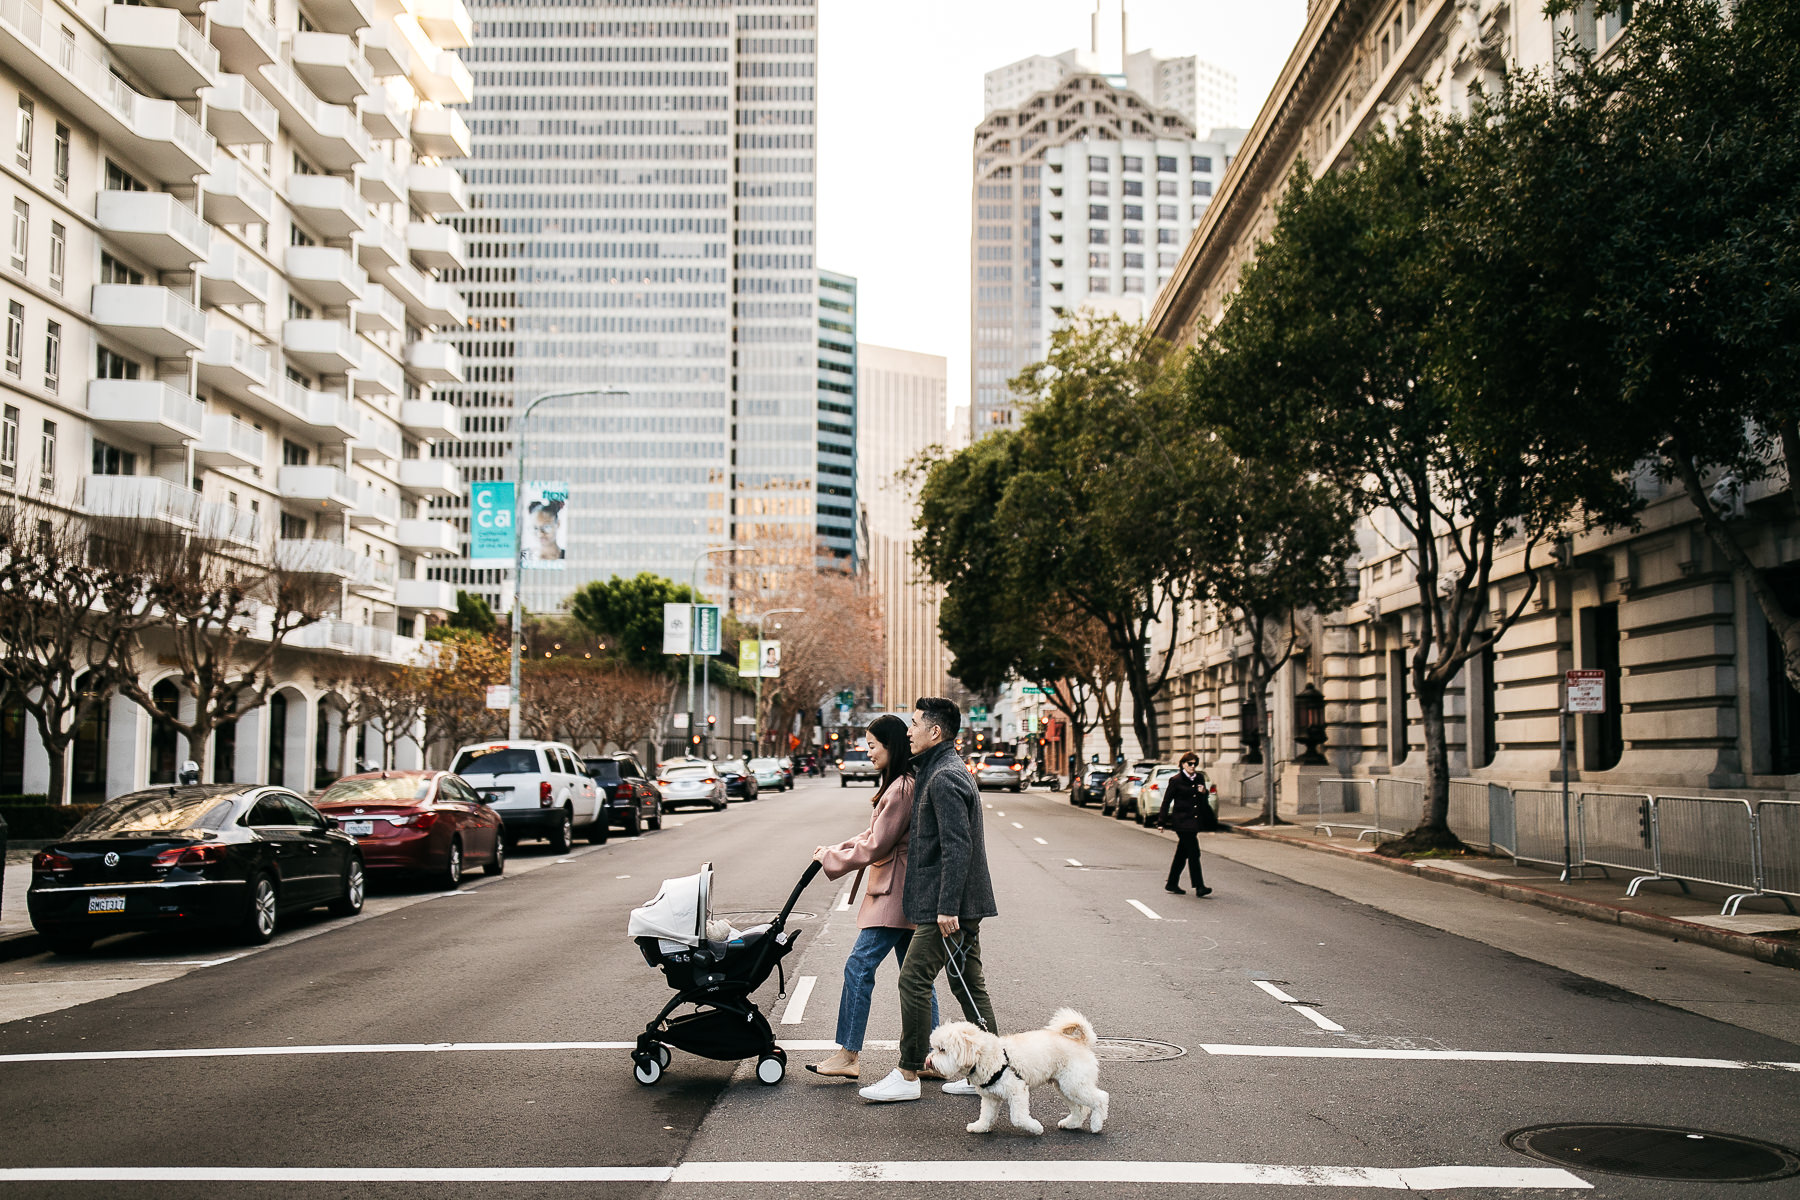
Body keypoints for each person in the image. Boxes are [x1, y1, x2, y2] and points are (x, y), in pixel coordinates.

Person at [859, 697, 999, 1104]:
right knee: (966, 981)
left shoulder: (943, 777)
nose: (909, 730)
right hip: (962, 902)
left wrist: (947, 907)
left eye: (916, 723)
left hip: (951, 907)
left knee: (914, 979)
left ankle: (907, 1073)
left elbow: (958, 847)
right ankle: (990, 1071)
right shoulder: (941, 770)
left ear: (935, 732)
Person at [807, 715, 939, 1080]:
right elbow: (872, 834)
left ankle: (849, 1054)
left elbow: (876, 844)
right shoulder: (902, 784)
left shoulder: (900, 789)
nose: (867, 753)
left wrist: (832, 857)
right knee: (917, 977)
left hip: (893, 894)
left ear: (890, 747)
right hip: (903, 891)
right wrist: (834, 848)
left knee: (859, 967)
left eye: (872, 746)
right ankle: (931, 1055)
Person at [1160, 752, 1221, 896]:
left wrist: (1203, 792)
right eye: (1190, 764)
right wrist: (1161, 821)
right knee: (1194, 853)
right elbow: (1166, 801)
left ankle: (1172, 883)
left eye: (1195, 764)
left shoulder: (1199, 778)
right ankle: (1199, 886)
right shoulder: (1176, 780)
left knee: (1182, 853)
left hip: (1194, 822)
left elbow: (1201, 800)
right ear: (1183, 764)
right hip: (1181, 822)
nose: (1193, 767)